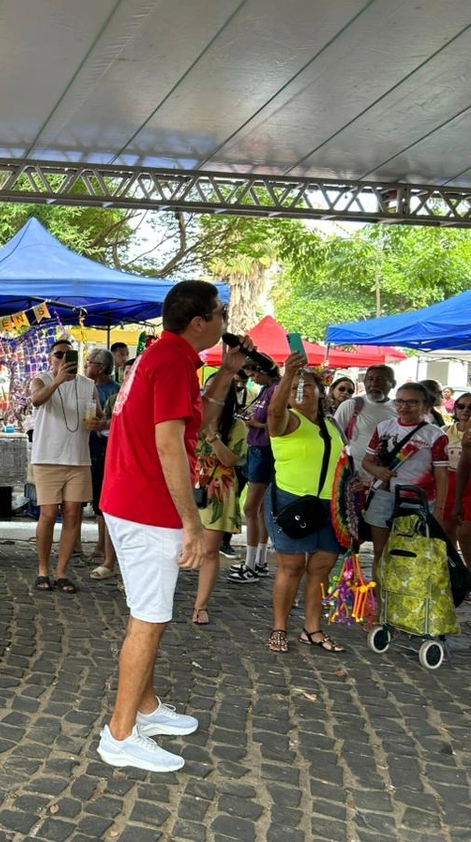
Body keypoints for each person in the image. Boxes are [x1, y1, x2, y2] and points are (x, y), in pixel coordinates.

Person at [98, 281, 246, 772]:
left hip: (131, 500)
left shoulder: (167, 356)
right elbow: (168, 444)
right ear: (200, 321)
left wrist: (226, 374)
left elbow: (193, 425)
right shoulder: (173, 360)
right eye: (220, 312)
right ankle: (119, 735)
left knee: (149, 612)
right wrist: (192, 523)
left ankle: (146, 707)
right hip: (147, 507)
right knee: (150, 618)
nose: (226, 320)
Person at [265, 355, 346, 654]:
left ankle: (312, 628)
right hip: (292, 502)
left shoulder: (331, 424)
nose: (302, 389)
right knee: (292, 566)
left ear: (320, 390)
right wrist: (287, 376)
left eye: (307, 384)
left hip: (330, 505)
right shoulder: (287, 420)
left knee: (322, 567)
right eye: (296, 385)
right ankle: (279, 627)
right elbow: (274, 413)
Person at [29, 340, 100, 593]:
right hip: (48, 457)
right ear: (50, 359)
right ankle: (42, 570)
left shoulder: (87, 384)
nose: (63, 358)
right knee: (48, 513)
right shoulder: (41, 379)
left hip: (78, 458)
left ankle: (61, 572)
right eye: (58, 355)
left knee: (73, 513)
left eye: (68, 354)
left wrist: (97, 422)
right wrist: (57, 381)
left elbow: (98, 414)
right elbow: (36, 400)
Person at [361, 382, 448, 584]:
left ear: (425, 405)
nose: (404, 407)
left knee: (412, 553)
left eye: (412, 402)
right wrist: (377, 471)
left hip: (418, 501)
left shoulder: (436, 435)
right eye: (400, 401)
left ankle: (405, 603)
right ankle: (381, 604)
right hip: (383, 498)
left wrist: (440, 510)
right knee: (380, 553)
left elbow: (441, 475)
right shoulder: (383, 428)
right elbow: (367, 461)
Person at [191, 375, 248, 625]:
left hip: (217, 488)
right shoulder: (190, 420)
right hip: (187, 484)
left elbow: (231, 461)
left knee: (210, 551)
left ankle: (200, 605)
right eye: (207, 390)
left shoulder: (237, 427)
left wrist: (212, 436)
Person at [333, 364, 397, 557]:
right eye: (369, 379)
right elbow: (336, 439)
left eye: (380, 379)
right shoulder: (352, 405)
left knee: (380, 535)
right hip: (354, 482)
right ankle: (349, 577)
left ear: (391, 384)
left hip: (383, 484)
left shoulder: (396, 408)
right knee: (351, 533)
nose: (373, 384)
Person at [229, 364, 279, 585]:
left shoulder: (276, 390)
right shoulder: (266, 390)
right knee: (258, 509)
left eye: (254, 375)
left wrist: (255, 423)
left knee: (251, 508)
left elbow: (276, 425)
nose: (253, 380)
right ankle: (258, 559)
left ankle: (252, 563)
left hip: (265, 451)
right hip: (257, 448)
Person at [85, 349, 120, 580]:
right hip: (87, 448)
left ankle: (103, 548)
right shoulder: (82, 386)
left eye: (90, 362)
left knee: (105, 503)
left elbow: (112, 421)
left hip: (109, 452)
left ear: (101, 366)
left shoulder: (116, 392)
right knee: (95, 499)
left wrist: (103, 424)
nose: (86, 366)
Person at [440, 392, 471, 549]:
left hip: (468, 485)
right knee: (447, 529)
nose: (466, 410)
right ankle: (454, 568)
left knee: (465, 532)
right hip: (448, 482)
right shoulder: (444, 430)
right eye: (461, 406)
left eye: (470, 407)